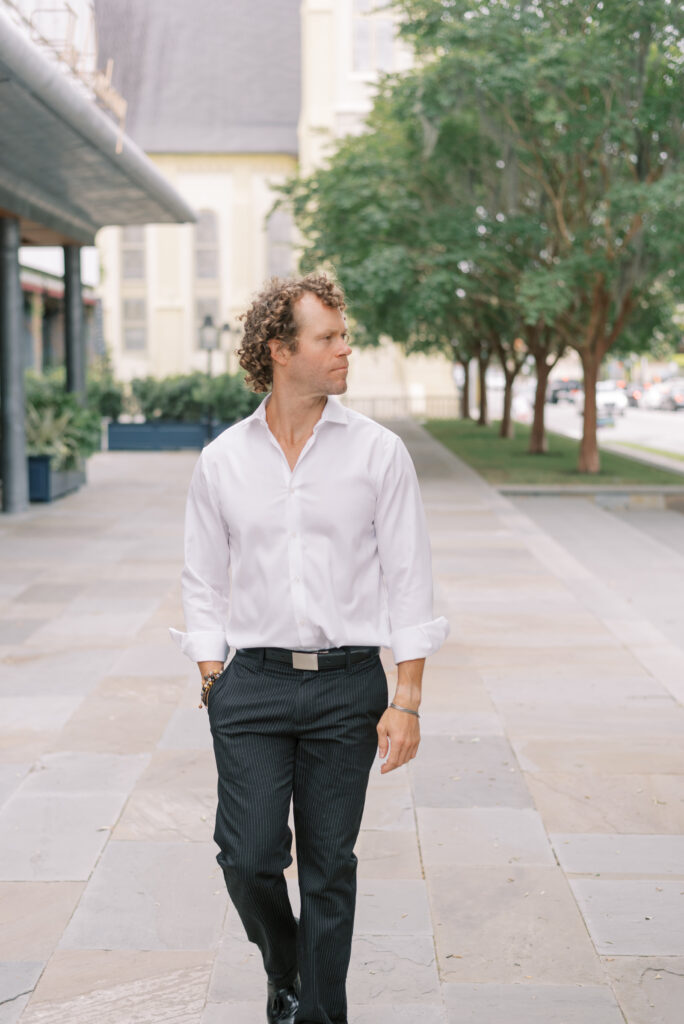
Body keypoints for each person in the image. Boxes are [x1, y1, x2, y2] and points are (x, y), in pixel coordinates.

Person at [169, 272, 449, 1024]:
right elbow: (202, 579)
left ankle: (321, 1014)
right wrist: (212, 677)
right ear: (279, 350)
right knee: (249, 857)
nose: (344, 348)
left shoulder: (378, 453)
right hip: (251, 685)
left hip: (346, 687)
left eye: (343, 335)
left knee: (330, 868)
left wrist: (407, 700)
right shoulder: (224, 460)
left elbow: (409, 579)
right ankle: (285, 964)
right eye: (327, 337)